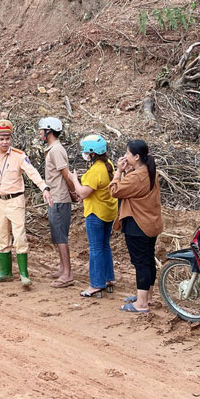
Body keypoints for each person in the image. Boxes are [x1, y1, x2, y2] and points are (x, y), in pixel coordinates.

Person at [0, 119, 53, 286]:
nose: (5, 142)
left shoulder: (19, 156)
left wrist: (44, 188)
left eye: (7, 138)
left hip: (15, 200)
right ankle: (5, 272)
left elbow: (32, 173)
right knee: (2, 237)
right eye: (1, 139)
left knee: (19, 236)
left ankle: (24, 274)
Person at [109, 140, 163, 312]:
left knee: (140, 262)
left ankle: (140, 304)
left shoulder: (136, 177)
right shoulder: (149, 171)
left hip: (137, 223)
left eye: (127, 154)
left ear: (137, 156)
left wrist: (118, 171)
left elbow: (114, 190)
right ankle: (147, 297)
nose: (125, 156)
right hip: (151, 222)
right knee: (148, 260)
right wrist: (127, 171)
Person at [70, 134, 118, 298]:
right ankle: (109, 279)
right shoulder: (108, 164)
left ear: (92, 153)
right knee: (105, 246)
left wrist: (74, 180)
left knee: (96, 248)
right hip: (109, 212)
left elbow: (83, 193)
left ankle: (96, 284)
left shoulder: (95, 170)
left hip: (95, 213)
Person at [39, 117, 76, 288]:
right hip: (55, 196)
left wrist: (73, 191)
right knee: (57, 234)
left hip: (59, 197)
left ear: (49, 131)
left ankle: (67, 273)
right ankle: (63, 269)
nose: (40, 133)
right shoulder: (52, 149)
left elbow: (66, 174)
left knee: (61, 236)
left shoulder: (56, 150)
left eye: (42, 130)